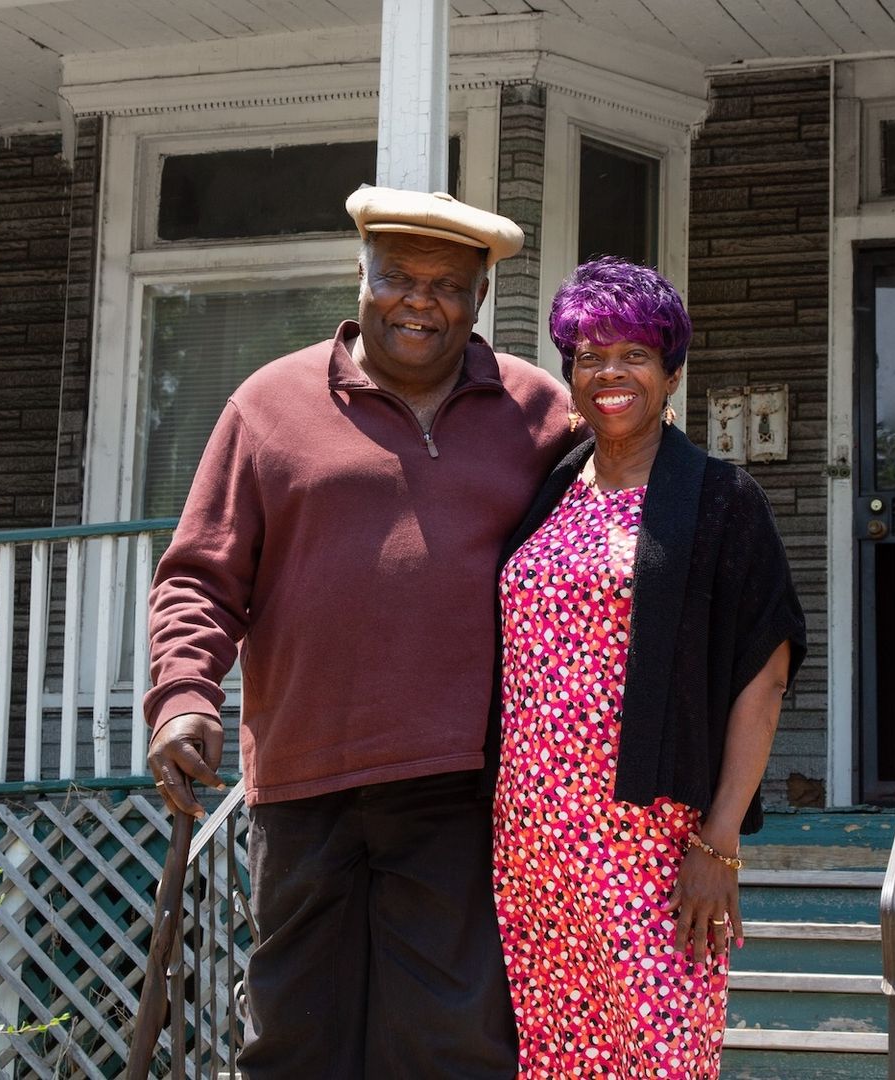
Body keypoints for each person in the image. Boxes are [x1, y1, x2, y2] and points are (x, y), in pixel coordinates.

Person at [140, 186, 571, 1079]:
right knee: (300, 1037)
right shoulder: (269, 405)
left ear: (480, 298)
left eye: (448, 284)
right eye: (399, 276)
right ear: (360, 277)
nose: (422, 300)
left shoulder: (539, 414)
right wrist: (183, 698)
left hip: (464, 783)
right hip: (306, 780)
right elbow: (198, 576)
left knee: (453, 1043)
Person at [491, 257, 807, 1078]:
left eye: (634, 353)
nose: (610, 372)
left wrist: (721, 841)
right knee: (554, 1055)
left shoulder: (719, 500)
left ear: (671, 371)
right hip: (530, 841)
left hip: (650, 845)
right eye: (589, 354)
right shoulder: (553, 489)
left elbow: (763, 678)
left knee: (660, 1053)